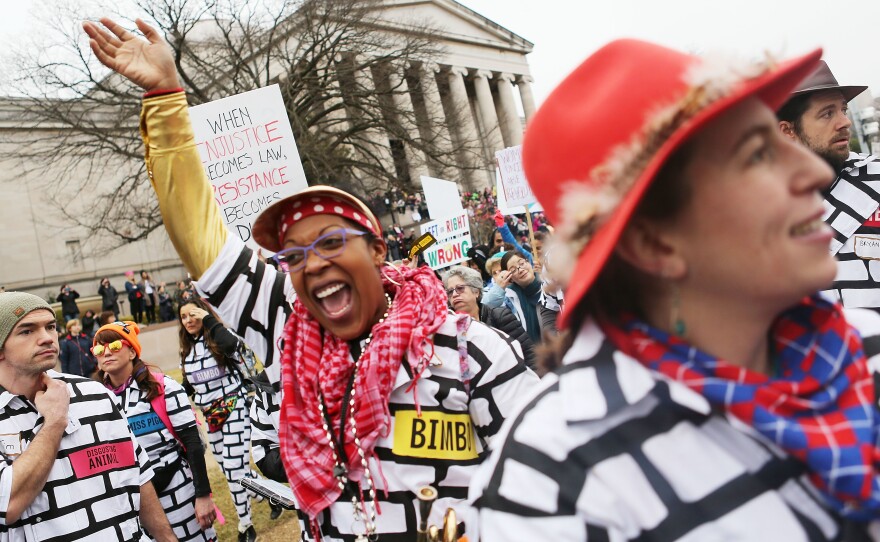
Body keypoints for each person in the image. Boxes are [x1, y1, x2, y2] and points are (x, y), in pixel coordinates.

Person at [82, 16, 538, 542]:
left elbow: (545, 482)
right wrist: (164, 99)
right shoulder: (286, 331)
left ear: (377, 250)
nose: (313, 263)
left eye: (330, 243)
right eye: (294, 256)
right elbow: (201, 239)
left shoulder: (473, 351)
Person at [469, 40, 880, 539]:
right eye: (756, 158)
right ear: (653, 242)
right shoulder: (550, 472)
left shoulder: (864, 346)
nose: (813, 173)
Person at [0, 291, 176, 540]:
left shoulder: (95, 393)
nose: (46, 338)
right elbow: (8, 504)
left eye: (50, 327)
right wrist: (54, 422)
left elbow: (137, 475)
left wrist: (167, 539)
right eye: (27, 331)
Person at [94, 320, 218, 541]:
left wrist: (203, 496)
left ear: (132, 351)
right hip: (133, 507)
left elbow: (192, 443)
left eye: (114, 346)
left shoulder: (164, 388)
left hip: (179, 494)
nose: (106, 353)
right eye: (99, 349)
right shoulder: (96, 400)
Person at [777, 61, 880, 310]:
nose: (845, 122)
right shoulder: (758, 205)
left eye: (844, 109)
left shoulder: (876, 175)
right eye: (827, 113)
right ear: (787, 131)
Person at [178, 298, 257, 542]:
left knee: (234, 469)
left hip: (235, 406)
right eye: (184, 317)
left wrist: (210, 321)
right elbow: (189, 386)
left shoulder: (220, 337)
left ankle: (246, 526)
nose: (189, 320)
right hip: (210, 416)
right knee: (232, 470)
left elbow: (233, 346)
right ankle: (268, 495)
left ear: (203, 314)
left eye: (193, 314)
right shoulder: (187, 350)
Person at [442, 266, 535, 367]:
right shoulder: (448, 329)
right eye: (450, 292)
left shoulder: (500, 317)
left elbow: (529, 354)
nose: (455, 294)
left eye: (460, 288)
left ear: (476, 291)